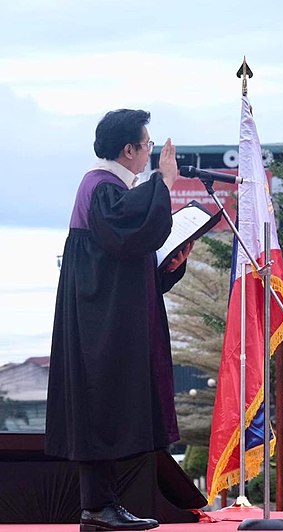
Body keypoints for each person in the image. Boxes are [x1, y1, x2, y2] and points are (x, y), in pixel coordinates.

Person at [45, 109, 192, 531]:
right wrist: (163, 182)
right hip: (97, 329)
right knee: (101, 407)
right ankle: (97, 507)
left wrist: (169, 267)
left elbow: (124, 267)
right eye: (147, 146)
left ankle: (103, 507)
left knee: (108, 408)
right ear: (128, 149)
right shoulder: (100, 187)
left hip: (107, 321)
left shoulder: (112, 190)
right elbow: (127, 239)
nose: (149, 154)